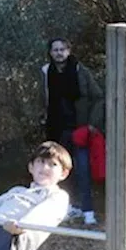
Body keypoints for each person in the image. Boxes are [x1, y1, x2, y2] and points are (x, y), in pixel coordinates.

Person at [41, 37, 104, 225]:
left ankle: (88, 211)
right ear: (51, 52)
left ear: (69, 51)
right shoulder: (46, 72)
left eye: (62, 49)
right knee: (59, 171)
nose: (59, 53)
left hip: (79, 130)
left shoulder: (80, 71)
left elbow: (98, 97)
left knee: (83, 170)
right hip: (56, 130)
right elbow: (43, 98)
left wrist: (92, 123)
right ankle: (68, 209)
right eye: (55, 50)